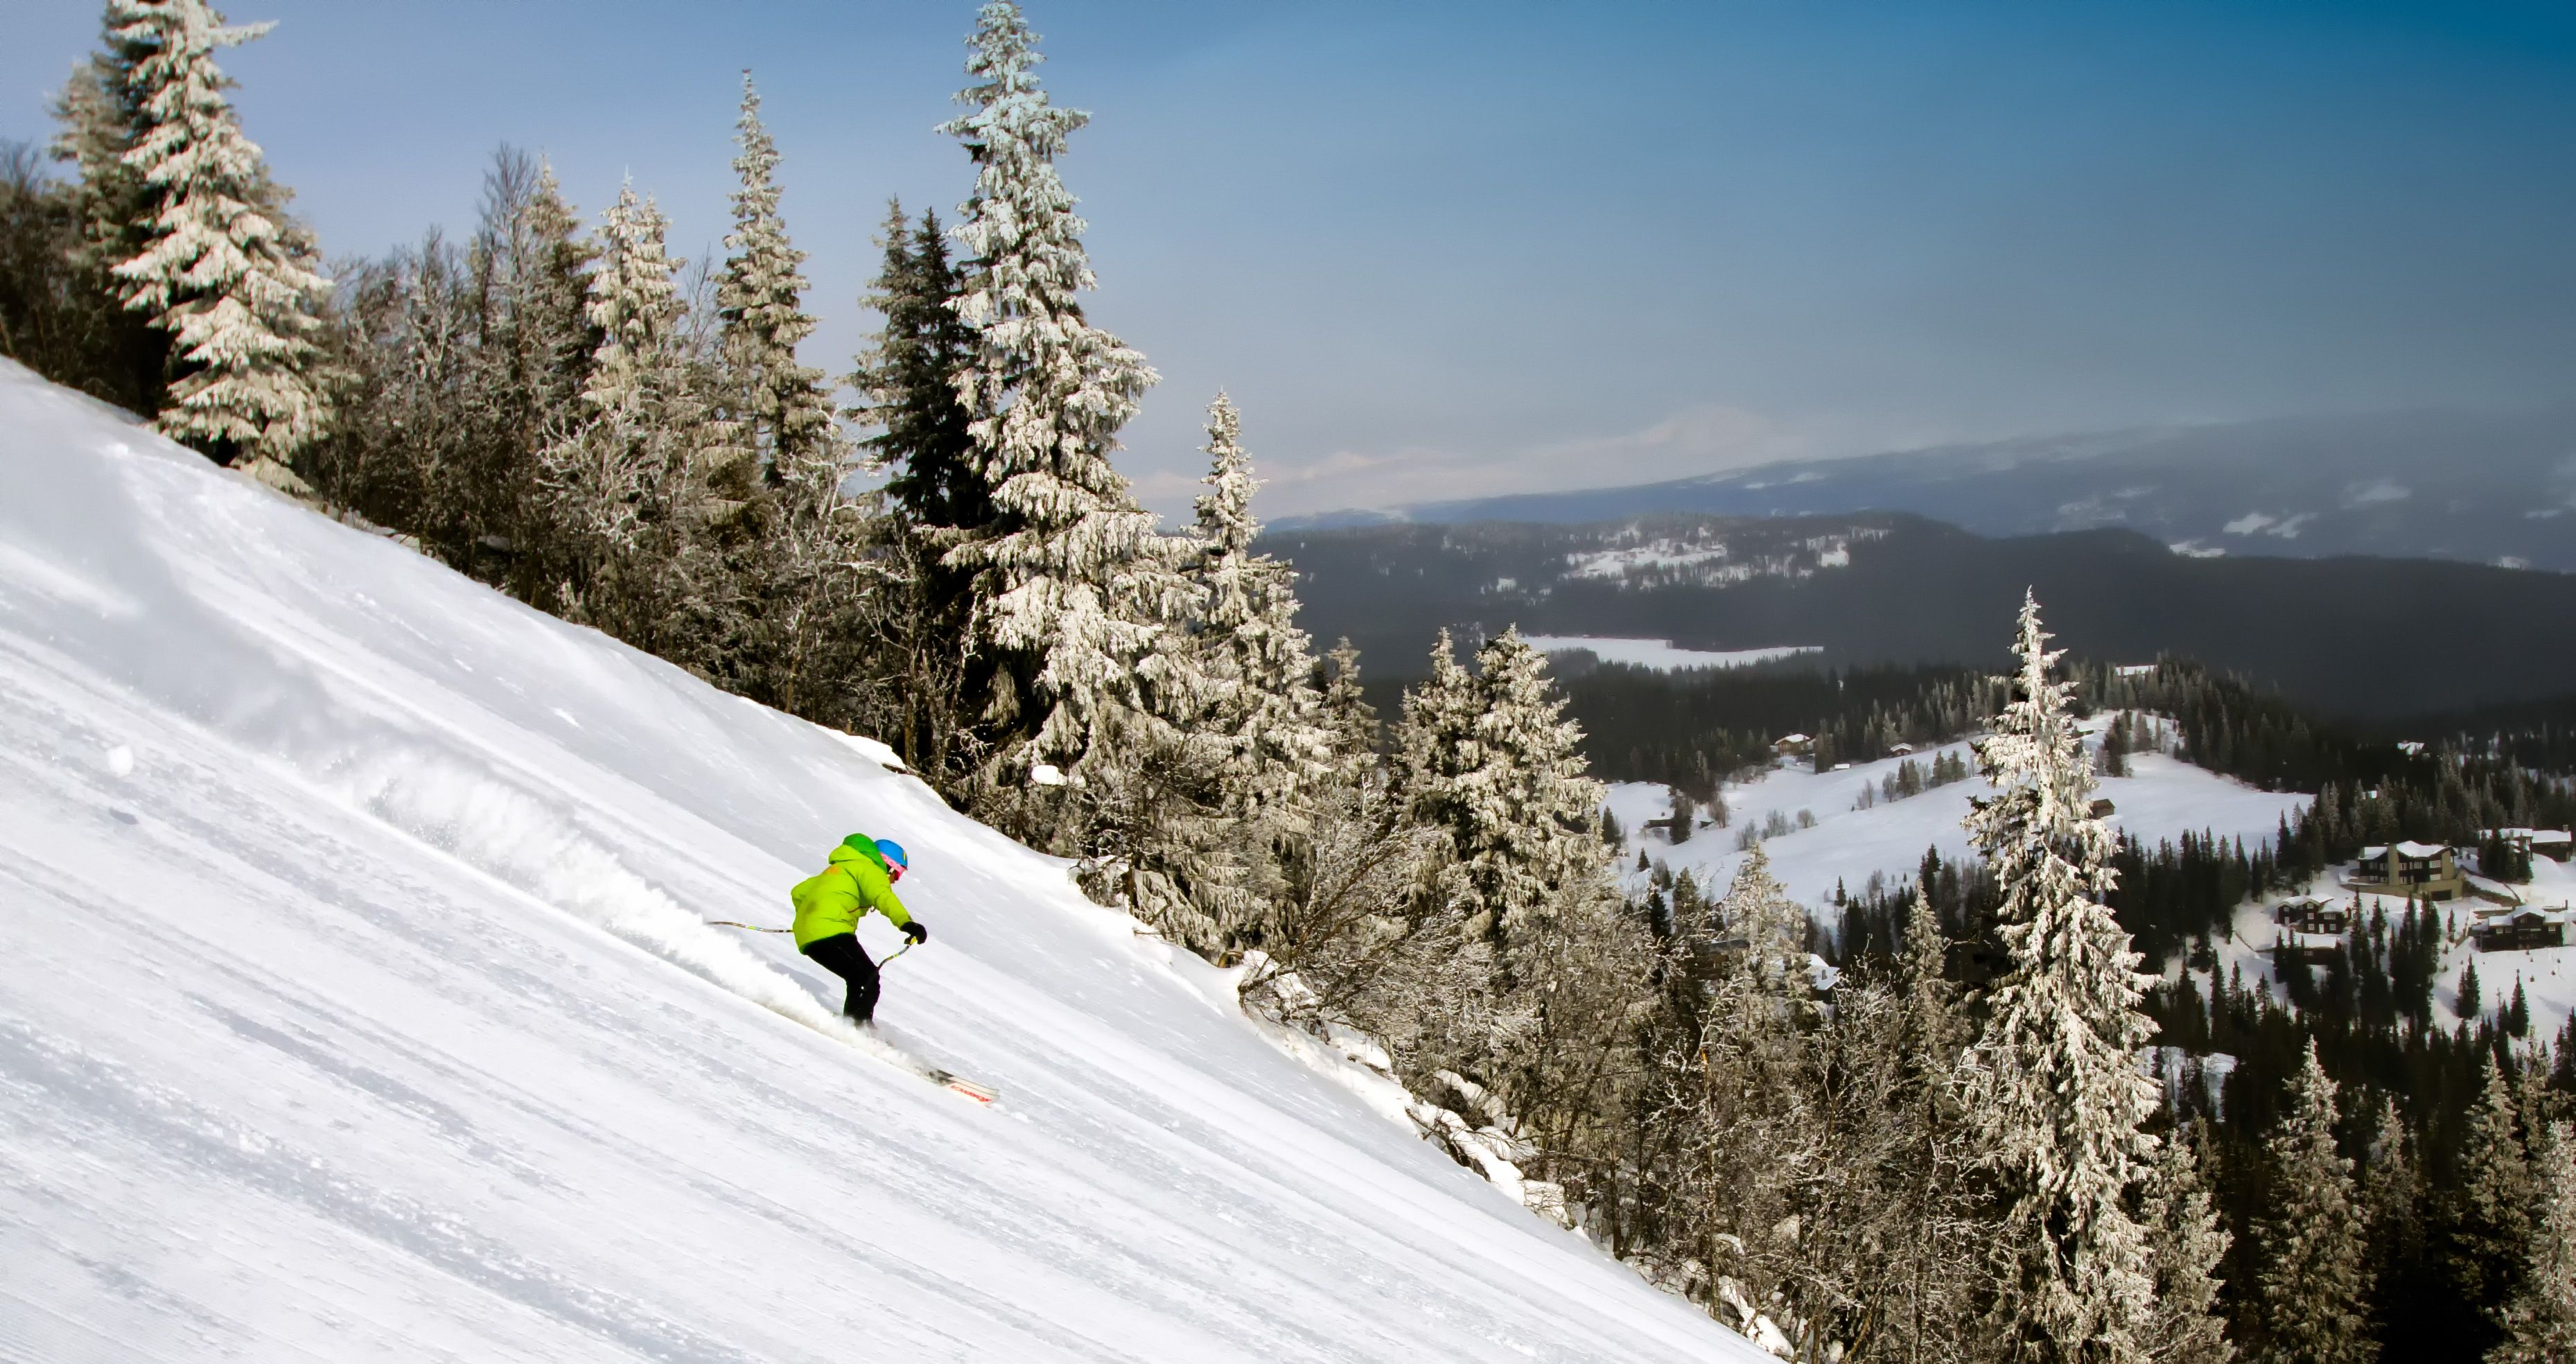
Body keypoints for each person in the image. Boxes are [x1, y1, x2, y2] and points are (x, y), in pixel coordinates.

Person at [789, 834, 927, 1025]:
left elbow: (799, 892)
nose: (895, 880)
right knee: (867, 978)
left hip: (810, 935)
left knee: (860, 977)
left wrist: (808, 922)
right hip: (830, 930)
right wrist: (907, 923)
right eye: (897, 873)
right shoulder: (870, 868)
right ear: (887, 864)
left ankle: (854, 1026)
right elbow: (883, 896)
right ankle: (858, 1029)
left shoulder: (840, 868)